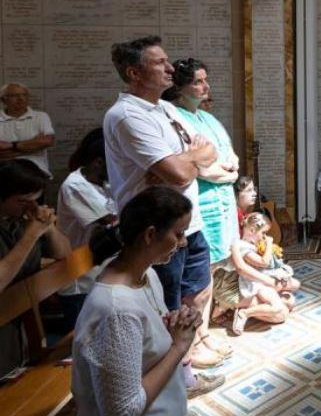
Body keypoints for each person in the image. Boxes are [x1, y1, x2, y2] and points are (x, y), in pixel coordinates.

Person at [103, 35, 224, 395]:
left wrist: (185, 161)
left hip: (189, 221)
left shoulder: (167, 109)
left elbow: (208, 151)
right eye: (160, 63)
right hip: (154, 229)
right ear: (133, 72)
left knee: (196, 294)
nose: (170, 68)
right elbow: (180, 173)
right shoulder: (125, 115)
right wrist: (186, 162)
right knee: (163, 307)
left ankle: (184, 370)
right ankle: (168, 387)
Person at [67, 186, 201, 416]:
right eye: (179, 233)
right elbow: (122, 413)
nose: (183, 242)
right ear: (151, 235)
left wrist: (172, 327)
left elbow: (143, 350)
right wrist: (178, 347)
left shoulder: (146, 275)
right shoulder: (116, 310)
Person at [164, 58, 238, 360]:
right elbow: (199, 165)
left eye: (205, 80)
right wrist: (224, 172)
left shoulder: (207, 118)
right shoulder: (177, 117)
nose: (205, 86)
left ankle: (204, 334)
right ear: (180, 87)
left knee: (208, 275)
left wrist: (229, 167)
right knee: (197, 278)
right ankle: (194, 341)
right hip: (200, 203)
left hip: (222, 199)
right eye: (198, 81)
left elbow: (226, 151)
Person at [0, 160, 71, 379]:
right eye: (22, 201)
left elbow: (65, 254)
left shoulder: (21, 221)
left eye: (35, 200)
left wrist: (48, 229)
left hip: (19, 319)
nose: (31, 208)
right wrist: (31, 234)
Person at [56, 128, 118, 332]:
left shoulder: (104, 182)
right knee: (81, 335)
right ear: (99, 162)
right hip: (79, 271)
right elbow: (112, 221)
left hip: (99, 267)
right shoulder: (75, 185)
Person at [222, 213, 295, 336]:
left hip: (256, 282)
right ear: (251, 230)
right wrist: (269, 244)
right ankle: (244, 313)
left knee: (289, 301)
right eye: (263, 233)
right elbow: (264, 262)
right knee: (280, 311)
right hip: (249, 284)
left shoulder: (250, 245)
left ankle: (244, 312)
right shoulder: (242, 246)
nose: (264, 236)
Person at [0, 83, 55, 177]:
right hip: (4, 173)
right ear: (3, 99)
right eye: (14, 95)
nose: (21, 99)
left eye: (24, 95)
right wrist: (33, 147)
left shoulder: (41, 116)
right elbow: (40, 144)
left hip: (37, 172)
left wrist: (10, 146)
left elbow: (47, 141)